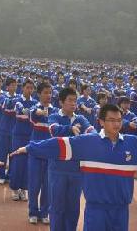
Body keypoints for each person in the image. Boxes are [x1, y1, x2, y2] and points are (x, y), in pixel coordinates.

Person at [10, 104, 137, 231]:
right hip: (96, 211)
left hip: (121, 211)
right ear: (101, 122)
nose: (116, 124)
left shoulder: (133, 144)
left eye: (119, 120)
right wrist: (28, 147)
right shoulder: (88, 142)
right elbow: (58, 144)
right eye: (111, 120)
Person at [47, 87, 96, 231]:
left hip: (76, 169)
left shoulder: (81, 118)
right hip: (58, 168)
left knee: (73, 207)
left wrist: (100, 135)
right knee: (57, 206)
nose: (73, 103)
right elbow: (53, 129)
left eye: (75, 100)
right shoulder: (54, 116)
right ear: (61, 102)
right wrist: (70, 129)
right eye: (70, 100)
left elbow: (90, 131)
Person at [27, 82, 58, 224]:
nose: (48, 95)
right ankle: (33, 212)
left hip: (50, 153)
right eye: (45, 92)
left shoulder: (56, 111)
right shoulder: (34, 108)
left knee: (48, 184)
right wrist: (40, 112)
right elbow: (33, 114)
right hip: (35, 151)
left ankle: (45, 212)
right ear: (38, 94)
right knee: (34, 184)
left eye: (50, 92)